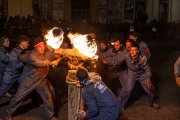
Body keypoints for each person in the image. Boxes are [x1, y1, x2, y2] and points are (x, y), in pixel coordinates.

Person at [4, 37, 59, 120]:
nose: (42, 48)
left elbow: (58, 55)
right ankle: (8, 114)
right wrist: (52, 62)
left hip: (41, 81)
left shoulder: (47, 54)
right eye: (40, 46)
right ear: (36, 47)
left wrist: (59, 58)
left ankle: (51, 116)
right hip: (28, 81)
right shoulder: (32, 56)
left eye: (43, 46)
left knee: (48, 97)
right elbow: (41, 64)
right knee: (18, 98)